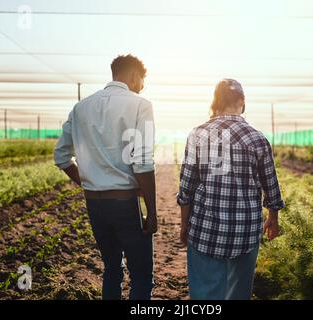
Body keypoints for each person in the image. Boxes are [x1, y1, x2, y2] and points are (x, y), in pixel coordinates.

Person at [54, 54, 157, 300]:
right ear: (134, 76)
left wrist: (90, 182)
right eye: (142, 81)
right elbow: (142, 162)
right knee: (141, 276)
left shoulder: (81, 107)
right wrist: (151, 211)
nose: (142, 87)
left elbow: (61, 156)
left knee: (112, 268)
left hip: (95, 204)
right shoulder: (140, 105)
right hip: (125, 204)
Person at [177, 78, 285, 300]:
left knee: (206, 293)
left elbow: (186, 186)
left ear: (215, 102)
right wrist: (273, 217)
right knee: (238, 293)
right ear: (242, 102)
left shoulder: (198, 135)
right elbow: (270, 185)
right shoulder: (257, 138)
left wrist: (185, 223)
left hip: (205, 228)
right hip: (245, 231)